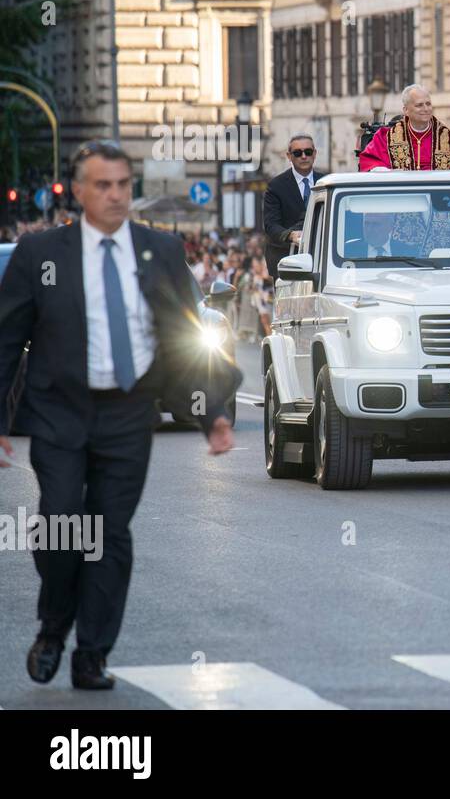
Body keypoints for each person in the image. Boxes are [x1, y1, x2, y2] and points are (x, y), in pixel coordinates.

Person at [0, 141, 239, 691]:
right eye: (101, 185)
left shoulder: (160, 250)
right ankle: (54, 623)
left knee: (109, 532)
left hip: (129, 414)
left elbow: (185, 338)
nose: (114, 195)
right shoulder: (42, 255)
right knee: (61, 524)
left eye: (123, 185)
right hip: (60, 412)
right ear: (78, 191)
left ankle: (92, 652)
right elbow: (7, 341)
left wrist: (213, 414)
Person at [359, 84, 450, 172]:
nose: (425, 109)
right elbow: (369, 164)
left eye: (428, 104)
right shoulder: (385, 137)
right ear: (405, 110)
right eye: (419, 105)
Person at [264, 133, 324, 279]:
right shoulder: (276, 186)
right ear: (289, 156)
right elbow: (271, 225)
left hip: (321, 261)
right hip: (287, 262)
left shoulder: (327, 181)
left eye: (308, 152)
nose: (304, 156)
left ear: (315, 154)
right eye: (298, 153)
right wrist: (290, 235)